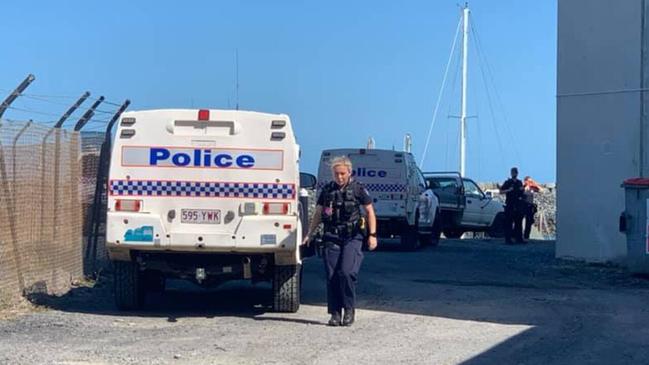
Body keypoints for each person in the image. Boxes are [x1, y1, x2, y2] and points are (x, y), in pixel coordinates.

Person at [302, 156, 378, 327]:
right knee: (332, 275)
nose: (340, 177)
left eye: (343, 173)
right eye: (336, 174)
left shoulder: (359, 189)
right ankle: (335, 313)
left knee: (347, 272)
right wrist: (310, 233)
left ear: (349, 172)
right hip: (332, 236)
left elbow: (370, 212)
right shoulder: (327, 191)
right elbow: (319, 213)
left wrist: (372, 235)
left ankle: (349, 309)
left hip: (352, 237)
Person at [499, 167, 524, 244]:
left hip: (517, 204)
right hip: (510, 204)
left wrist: (521, 189)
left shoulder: (519, 182)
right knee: (509, 222)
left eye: (515, 172)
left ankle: (519, 239)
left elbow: (522, 193)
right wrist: (508, 190)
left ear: (517, 173)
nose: (514, 174)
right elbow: (501, 191)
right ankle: (508, 239)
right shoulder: (508, 182)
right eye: (513, 172)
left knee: (518, 222)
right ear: (511, 173)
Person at [522, 176, 542, 240]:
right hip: (523, 206)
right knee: (519, 221)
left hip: (529, 207)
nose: (530, 182)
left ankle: (526, 236)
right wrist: (525, 186)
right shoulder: (522, 187)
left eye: (531, 181)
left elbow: (541, 190)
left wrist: (534, 183)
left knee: (529, 222)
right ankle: (517, 235)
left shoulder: (532, 188)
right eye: (529, 181)